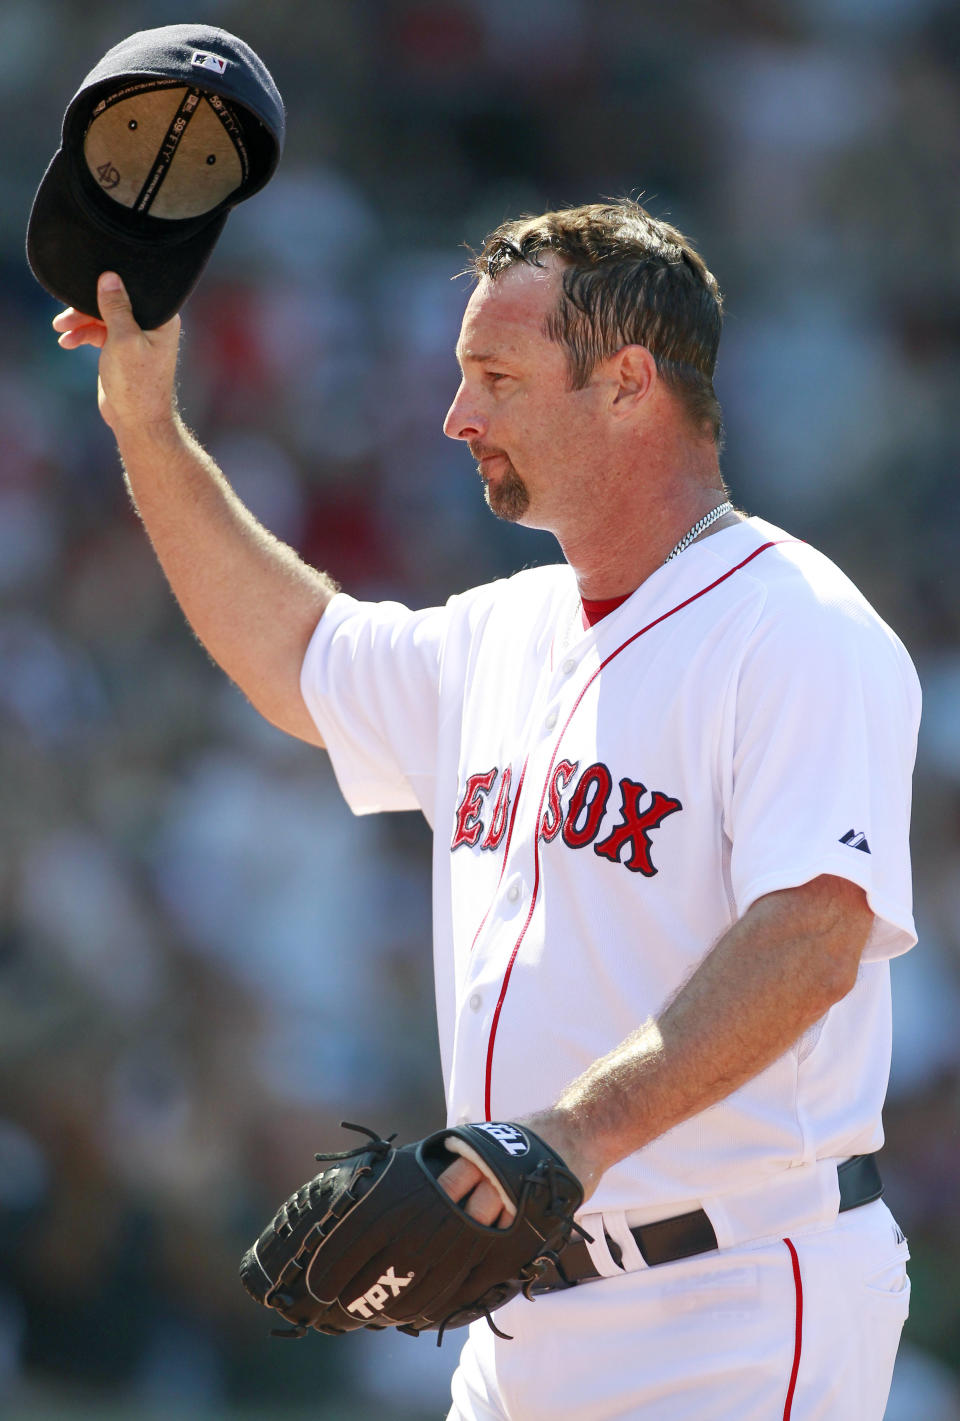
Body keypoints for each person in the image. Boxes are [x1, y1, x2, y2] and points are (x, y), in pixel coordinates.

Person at [53, 200, 920, 1420]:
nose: (457, 415)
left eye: (496, 376)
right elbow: (296, 650)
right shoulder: (502, 632)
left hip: (732, 1297)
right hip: (519, 1316)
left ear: (628, 384)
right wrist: (146, 422)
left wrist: (571, 1134)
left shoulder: (796, 629)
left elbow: (814, 937)